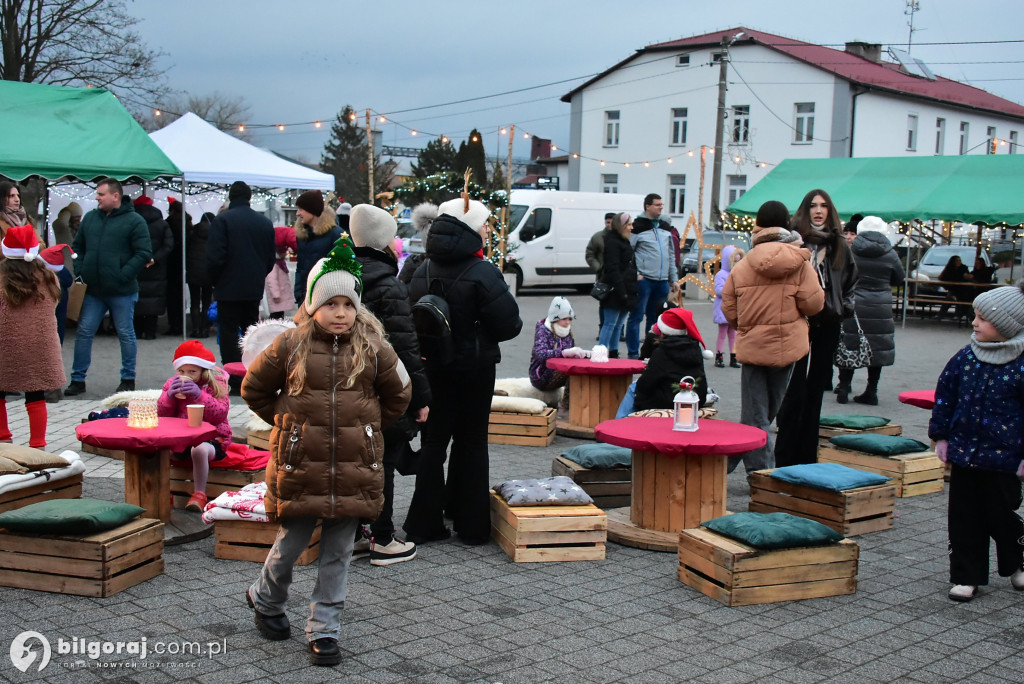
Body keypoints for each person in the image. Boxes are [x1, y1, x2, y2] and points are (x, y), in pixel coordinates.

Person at [242, 234, 411, 666]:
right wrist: (288, 426)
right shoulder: (290, 344)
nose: (340, 313)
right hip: (301, 466)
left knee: (337, 554)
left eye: (348, 304)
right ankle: (266, 597)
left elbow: (399, 395)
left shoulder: (373, 347)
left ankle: (324, 631)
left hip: (355, 467)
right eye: (331, 304)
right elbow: (254, 388)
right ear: (313, 305)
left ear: (358, 308)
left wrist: (369, 430)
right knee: (289, 545)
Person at [403, 196, 522, 546]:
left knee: (433, 443)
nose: (487, 229)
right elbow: (510, 325)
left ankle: (423, 523)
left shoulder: (418, 267)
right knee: (471, 443)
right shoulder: (482, 271)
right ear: (470, 229)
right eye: (484, 224)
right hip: (474, 369)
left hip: (431, 368)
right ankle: (470, 525)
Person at [929, 283, 1024, 602]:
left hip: (1004, 458)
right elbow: (945, 396)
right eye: (975, 316)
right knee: (964, 516)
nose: (974, 323)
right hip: (965, 454)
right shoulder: (965, 357)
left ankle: (1017, 560)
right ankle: (967, 575)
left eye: (983, 318)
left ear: (1007, 326)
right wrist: (941, 435)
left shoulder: (1021, 363)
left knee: (999, 513)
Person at [349, 203, 431, 566]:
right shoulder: (388, 286)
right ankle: (383, 538)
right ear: (384, 241)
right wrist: (421, 397)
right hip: (381, 392)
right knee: (380, 463)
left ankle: (351, 534)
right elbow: (405, 348)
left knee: (354, 463)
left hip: (345, 392)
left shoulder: (340, 277)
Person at [722, 201, 825, 475]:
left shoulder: (742, 265)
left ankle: (733, 462)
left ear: (759, 225)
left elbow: (729, 309)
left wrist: (748, 326)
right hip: (788, 347)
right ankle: (759, 470)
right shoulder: (801, 263)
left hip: (753, 347)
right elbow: (813, 305)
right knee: (767, 412)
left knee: (756, 412)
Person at [774, 189, 857, 467]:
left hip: (829, 322)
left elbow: (851, 281)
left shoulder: (839, 244)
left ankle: (807, 456)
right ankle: (785, 457)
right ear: (805, 210)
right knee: (793, 388)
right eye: (813, 206)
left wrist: (844, 307)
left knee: (816, 391)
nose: (818, 211)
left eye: (823, 206)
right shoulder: (794, 241)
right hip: (798, 321)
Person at [66, 178, 153, 396]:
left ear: (115, 196)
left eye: (101, 194)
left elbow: (143, 252)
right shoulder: (90, 219)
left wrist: (123, 274)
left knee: (125, 333)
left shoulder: (135, 221)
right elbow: (77, 247)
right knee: (85, 331)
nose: (97, 197)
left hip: (122, 290)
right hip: (94, 289)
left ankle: (128, 378)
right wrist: (81, 269)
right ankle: (78, 379)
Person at [207, 181, 275, 394]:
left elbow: (215, 256)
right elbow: (269, 259)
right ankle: (252, 373)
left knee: (228, 332)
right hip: (253, 286)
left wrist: (215, 280)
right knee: (251, 332)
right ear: (249, 197)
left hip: (228, 286)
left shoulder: (222, 220)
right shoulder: (264, 222)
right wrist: (258, 275)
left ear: (230, 196)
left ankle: (233, 378)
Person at [0, 226, 65, 446]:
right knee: (36, 395)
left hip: (4, 344)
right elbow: (53, 306)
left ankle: (3, 438)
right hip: (39, 344)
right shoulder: (49, 277)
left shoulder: (1, 277)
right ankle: (38, 443)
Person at [835, 216, 905, 405]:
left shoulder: (851, 251)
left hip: (854, 304)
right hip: (880, 305)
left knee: (850, 343)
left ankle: (843, 388)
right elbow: (899, 278)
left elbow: (841, 276)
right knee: (877, 347)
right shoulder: (890, 253)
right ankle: (871, 391)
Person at [157, 340, 231, 512]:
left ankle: (199, 494)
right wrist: (169, 397)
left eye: (192, 371)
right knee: (157, 450)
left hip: (212, 439)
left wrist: (199, 396)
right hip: (180, 439)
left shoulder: (215, 385)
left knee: (199, 450)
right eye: (181, 371)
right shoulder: (172, 383)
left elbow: (220, 414)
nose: (186, 375)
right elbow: (162, 415)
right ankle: (163, 491)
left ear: (203, 370)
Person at [633, 308, 712, 412]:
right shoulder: (695, 348)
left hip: (667, 402)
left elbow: (646, 383)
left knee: (633, 388)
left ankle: (621, 421)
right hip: (695, 398)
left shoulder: (662, 351)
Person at [626, 194, 676, 359]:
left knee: (656, 319)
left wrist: (673, 277)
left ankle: (651, 353)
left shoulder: (665, 226)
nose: (661, 207)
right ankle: (633, 353)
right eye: (657, 205)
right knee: (637, 316)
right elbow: (628, 253)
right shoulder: (637, 227)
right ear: (647, 206)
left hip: (662, 281)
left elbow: (670, 254)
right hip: (644, 280)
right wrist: (635, 274)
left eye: (662, 204)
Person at [529, 297, 583, 417]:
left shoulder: (566, 330)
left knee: (581, 371)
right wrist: (564, 352)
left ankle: (579, 405)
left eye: (569, 319)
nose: (568, 322)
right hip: (541, 375)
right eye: (564, 319)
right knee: (572, 372)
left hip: (556, 371)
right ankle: (565, 406)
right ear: (555, 318)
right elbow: (540, 354)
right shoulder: (543, 331)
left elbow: (569, 353)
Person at [131, 195, 173, 340]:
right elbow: (168, 245)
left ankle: (137, 331)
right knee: (154, 300)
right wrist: (155, 258)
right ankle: (150, 332)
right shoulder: (162, 224)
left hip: (136, 266)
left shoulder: (131, 222)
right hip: (157, 268)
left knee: (137, 300)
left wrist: (138, 258)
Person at [597, 213, 637, 358]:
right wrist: (622, 292)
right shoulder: (613, 242)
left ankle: (613, 352)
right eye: (629, 224)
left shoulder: (624, 240)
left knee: (619, 324)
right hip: (616, 289)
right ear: (622, 226)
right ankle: (600, 352)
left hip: (627, 287)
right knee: (610, 323)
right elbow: (613, 268)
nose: (632, 228)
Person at [293, 190, 341, 308]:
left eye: (301, 209)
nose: (297, 213)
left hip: (327, 299)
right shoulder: (303, 235)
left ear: (312, 210)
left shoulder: (335, 234)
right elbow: (301, 266)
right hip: (304, 298)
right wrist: (299, 293)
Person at [712, 245, 744, 368]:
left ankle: (733, 356)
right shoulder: (721, 274)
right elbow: (718, 290)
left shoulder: (738, 274)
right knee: (722, 333)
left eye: (738, 261)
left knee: (733, 333)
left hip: (734, 308)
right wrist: (732, 290)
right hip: (723, 308)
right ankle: (719, 356)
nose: (737, 263)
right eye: (734, 261)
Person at [586, 213, 615, 339]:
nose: (609, 225)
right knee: (604, 304)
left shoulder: (623, 237)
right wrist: (599, 268)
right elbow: (590, 254)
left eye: (612, 222)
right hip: (603, 277)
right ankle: (602, 329)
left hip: (619, 277)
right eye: (607, 222)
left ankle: (619, 332)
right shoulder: (598, 237)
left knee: (620, 304)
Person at [164, 197, 189, 336]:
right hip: (185, 262)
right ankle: (181, 323)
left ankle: (174, 324)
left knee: (172, 297)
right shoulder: (187, 220)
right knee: (181, 296)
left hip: (172, 263)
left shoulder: (169, 222)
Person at [187, 212, 215, 338]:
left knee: (194, 301)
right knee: (206, 301)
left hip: (193, 271)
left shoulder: (192, 233)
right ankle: (205, 329)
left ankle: (195, 329)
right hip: (209, 272)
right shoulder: (215, 234)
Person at [265, 225, 296, 320]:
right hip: (278, 298)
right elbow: (271, 280)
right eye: (284, 251)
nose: (286, 253)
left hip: (281, 297)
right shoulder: (275, 264)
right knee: (276, 317)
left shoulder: (280, 262)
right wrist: (276, 294)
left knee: (279, 316)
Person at [937, 255, 973, 321]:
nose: (959, 262)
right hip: (952, 288)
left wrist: (967, 276)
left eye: (959, 260)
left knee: (958, 298)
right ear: (953, 262)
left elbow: (967, 277)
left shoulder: (963, 268)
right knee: (950, 298)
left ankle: (958, 315)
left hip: (963, 289)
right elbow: (942, 277)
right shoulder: (949, 268)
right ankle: (941, 315)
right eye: (957, 260)